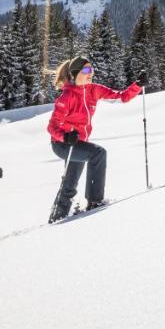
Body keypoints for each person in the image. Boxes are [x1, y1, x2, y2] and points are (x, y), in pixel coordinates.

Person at [47, 56, 142, 222]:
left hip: (78, 143)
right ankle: (95, 201)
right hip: (62, 144)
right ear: (75, 73)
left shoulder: (94, 89)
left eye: (91, 69)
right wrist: (65, 136)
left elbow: (121, 96)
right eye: (86, 70)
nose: (90, 73)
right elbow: (51, 128)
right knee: (98, 153)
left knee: (70, 182)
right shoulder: (67, 97)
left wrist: (137, 86)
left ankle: (57, 217)